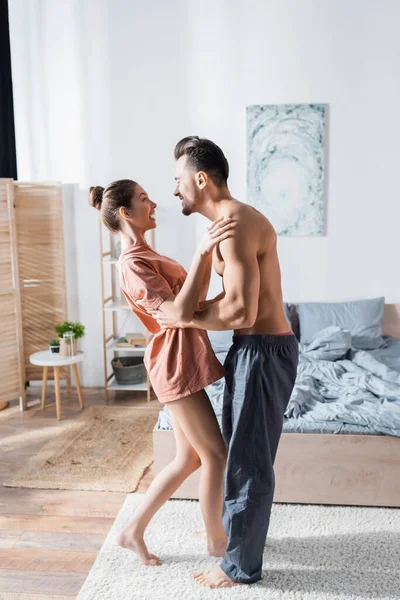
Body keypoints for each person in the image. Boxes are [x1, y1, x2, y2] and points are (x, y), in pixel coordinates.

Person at [152, 137, 299, 588]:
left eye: (178, 179)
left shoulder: (235, 223)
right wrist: (189, 312)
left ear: (200, 178)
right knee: (240, 453)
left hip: (263, 349)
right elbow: (231, 301)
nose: (174, 190)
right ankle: (241, 539)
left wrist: (187, 319)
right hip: (252, 349)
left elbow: (240, 311)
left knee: (248, 463)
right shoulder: (223, 226)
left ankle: (239, 567)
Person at [89, 180, 234, 566]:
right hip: (173, 364)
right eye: (142, 199)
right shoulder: (133, 264)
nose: (153, 203)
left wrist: (222, 281)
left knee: (189, 459)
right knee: (215, 454)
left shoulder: (146, 254)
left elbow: (193, 302)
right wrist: (203, 253)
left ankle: (132, 531)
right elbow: (177, 314)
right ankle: (217, 542)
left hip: (180, 359)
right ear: (124, 213)